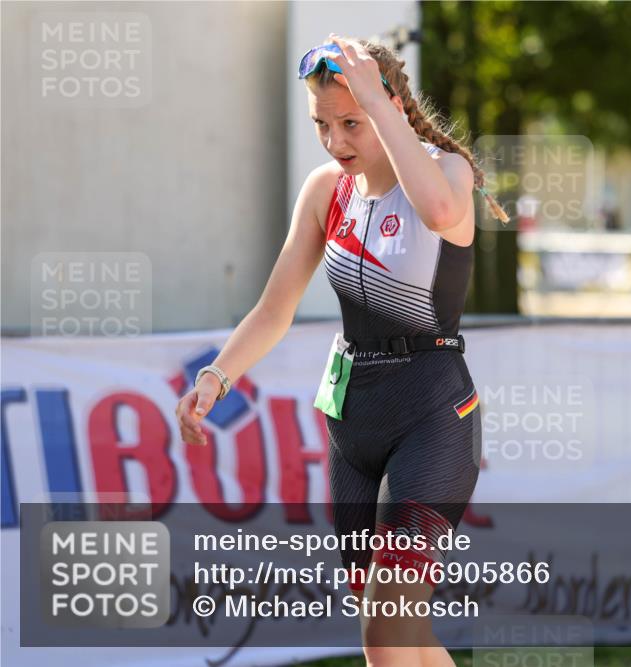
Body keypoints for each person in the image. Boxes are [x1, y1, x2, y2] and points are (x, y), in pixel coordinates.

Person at [174, 35, 507, 666]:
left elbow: (438, 211)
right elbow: (275, 309)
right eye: (322, 125)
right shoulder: (327, 189)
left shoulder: (447, 173)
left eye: (351, 122)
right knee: (401, 631)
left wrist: (380, 109)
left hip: (432, 414)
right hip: (352, 423)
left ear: (389, 107)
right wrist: (217, 377)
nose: (335, 142)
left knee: (384, 630)